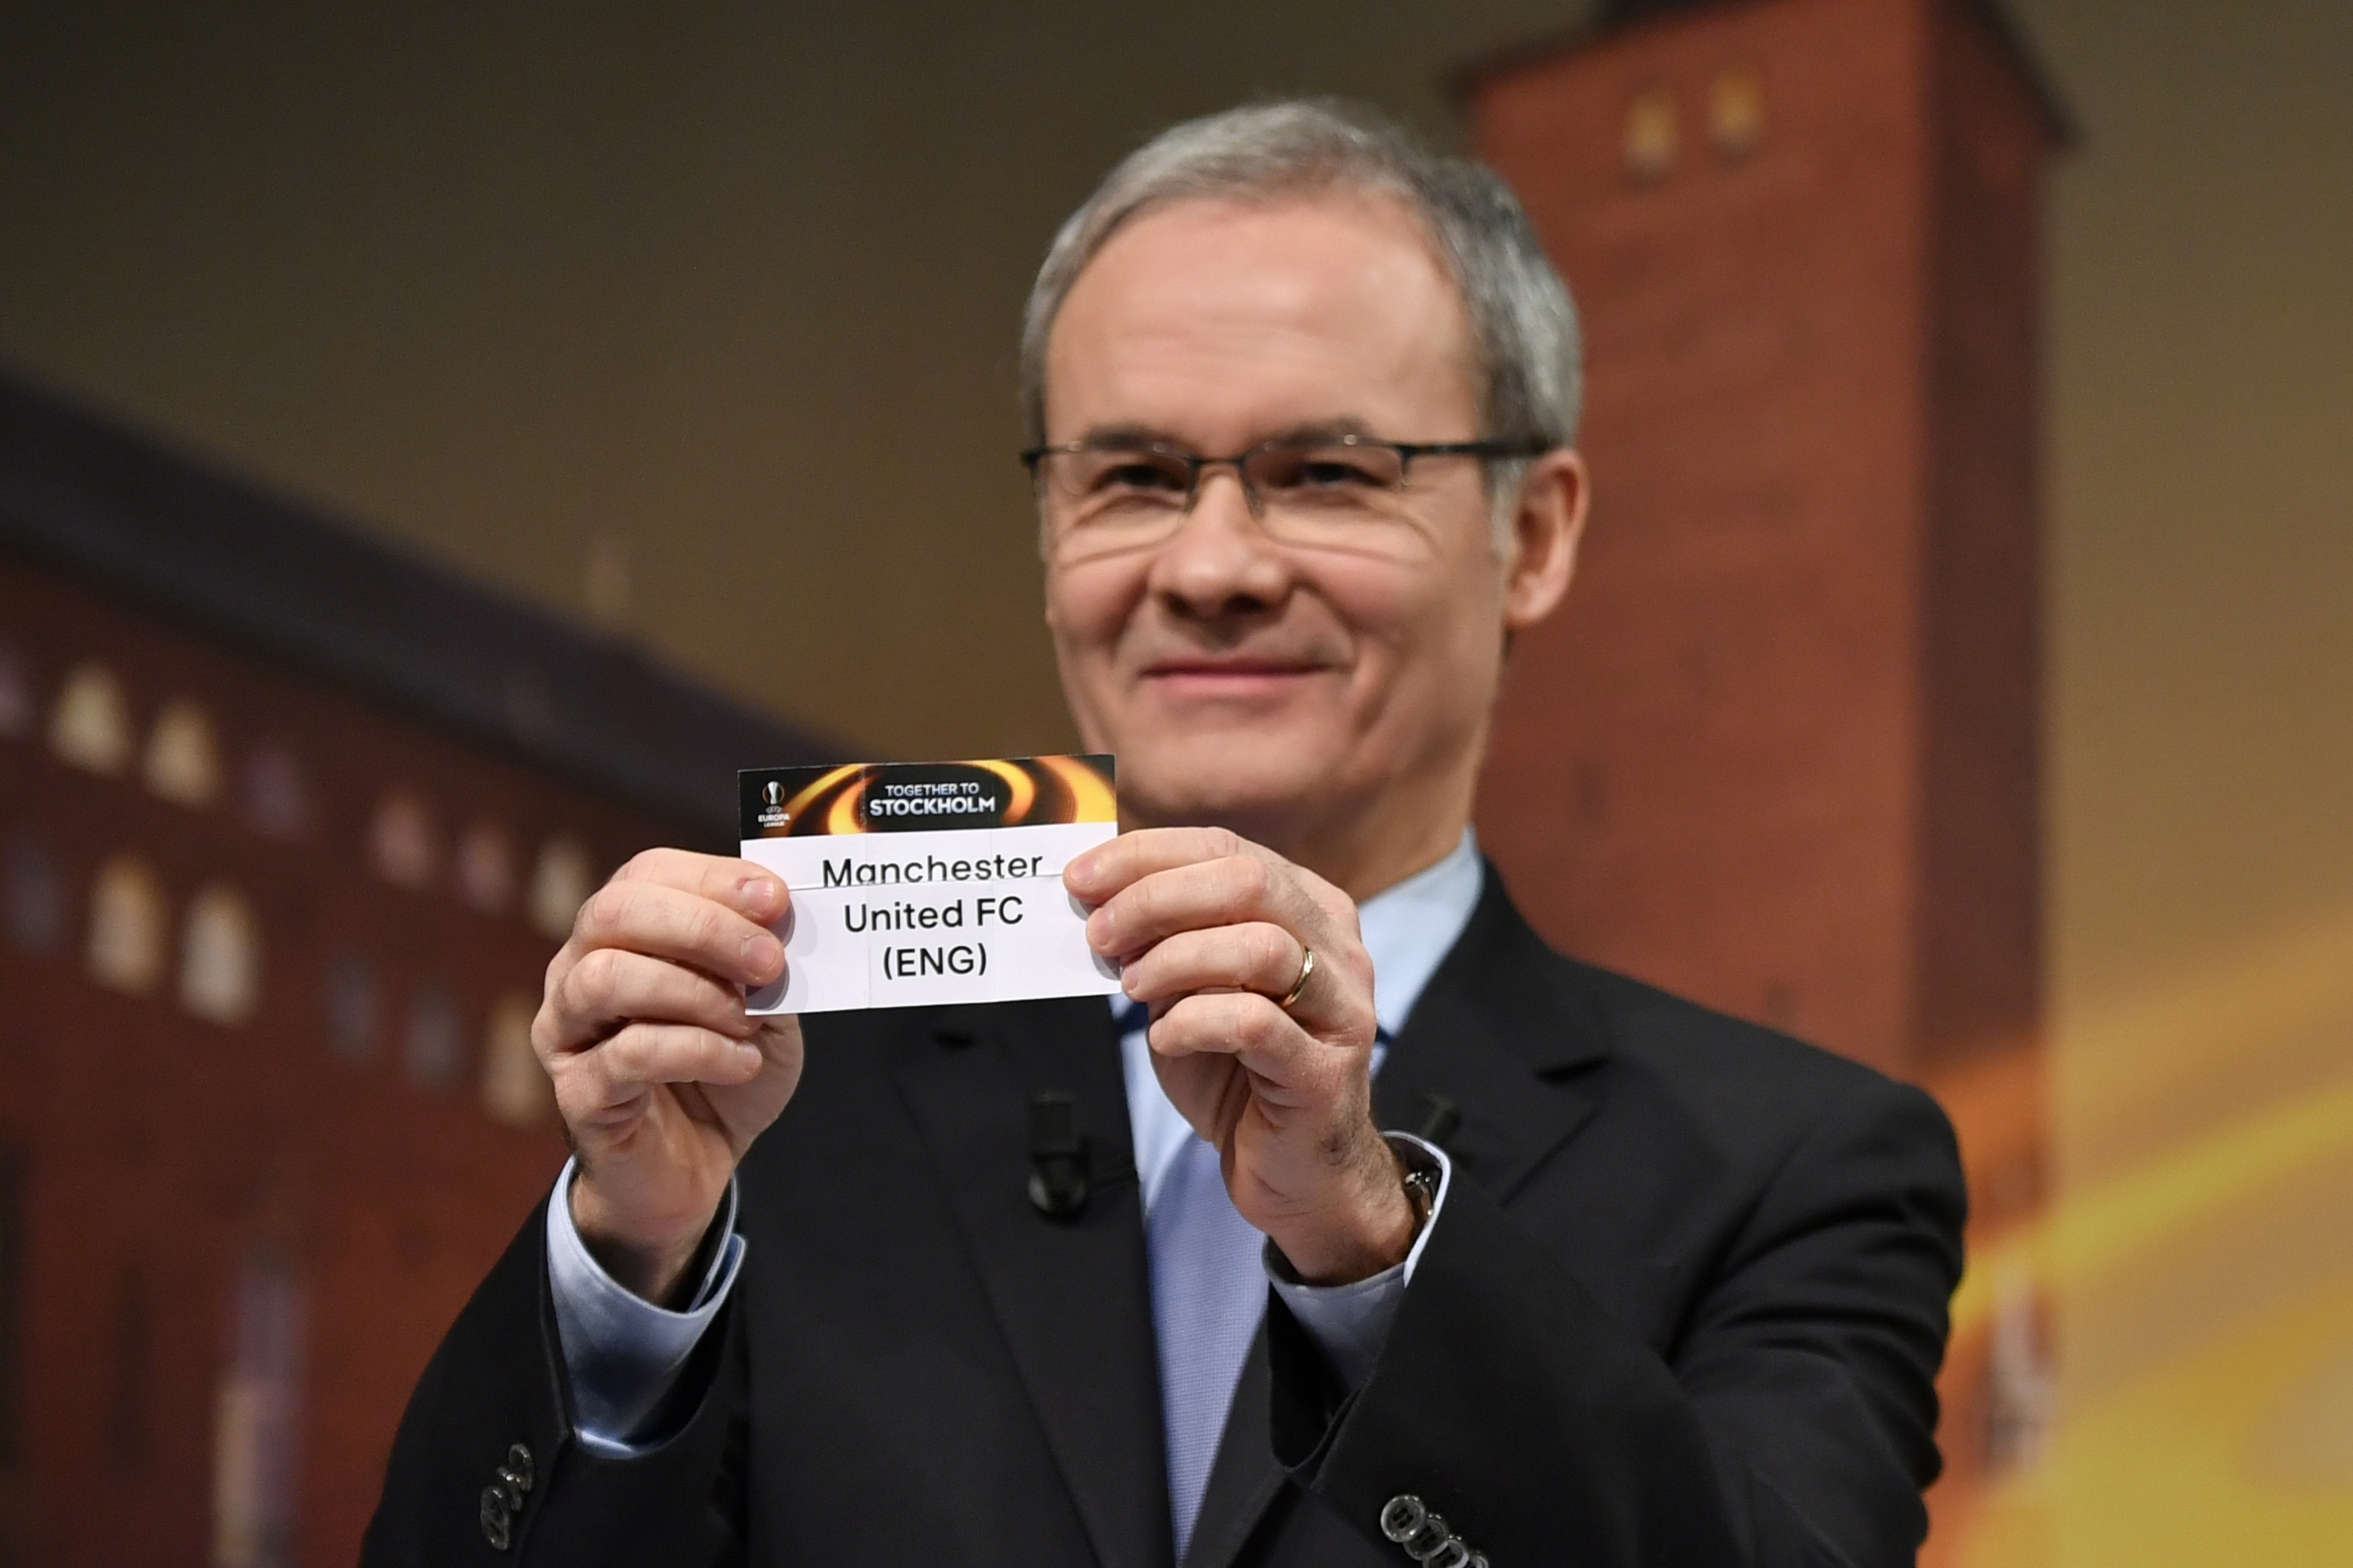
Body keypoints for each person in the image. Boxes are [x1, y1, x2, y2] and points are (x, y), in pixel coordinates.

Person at [365, 100, 1964, 1567]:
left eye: (1325, 472)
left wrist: (1364, 1239)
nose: (1207, 566)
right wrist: (628, 1265)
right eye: (1129, 475)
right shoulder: (768, 1114)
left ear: (1529, 536)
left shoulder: (1793, 1164)